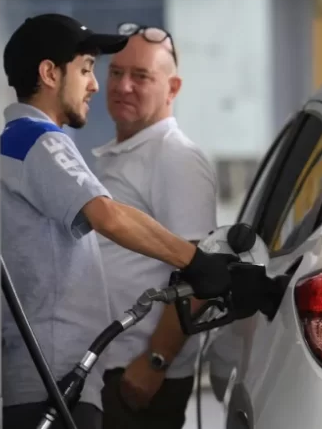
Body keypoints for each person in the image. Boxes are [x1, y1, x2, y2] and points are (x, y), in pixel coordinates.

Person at [0, 14, 234, 429]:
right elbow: (107, 214)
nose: (95, 83)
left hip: (59, 373)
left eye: (137, 75)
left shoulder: (21, 142)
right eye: (87, 70)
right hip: (51, 377)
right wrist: (197, 263)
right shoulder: (38, 141)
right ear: (49, 73)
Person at [92, 24, 216, 429]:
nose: (123, 86)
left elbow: (198, 275)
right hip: (110, 368)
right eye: (116, 72)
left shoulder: (174, 157)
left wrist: (156, 362)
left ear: (172, 88)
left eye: (141, 76)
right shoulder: (126, 152)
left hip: (139, 377)